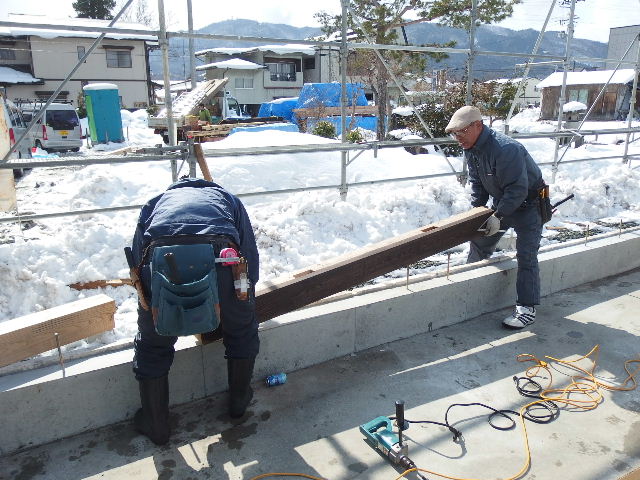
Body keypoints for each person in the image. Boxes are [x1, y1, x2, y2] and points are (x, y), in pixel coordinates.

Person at [129, 178, 259, 445]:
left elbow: (138, 257)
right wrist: (242, 300)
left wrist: (149, 305)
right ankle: (238, 403)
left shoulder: (155, 203)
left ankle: (156, 424)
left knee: (153, 346)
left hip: (162, 258)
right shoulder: (228, 199)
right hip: (222, 257)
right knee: (242, 331)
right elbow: (248, 254)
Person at [445, 105, 544, 330]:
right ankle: (468, 284)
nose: (458, 138)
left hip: (529, 206)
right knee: (480, 241)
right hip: (504, 202)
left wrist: (498, 216)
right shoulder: (471, 148)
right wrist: (477, 214)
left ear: (478, 125)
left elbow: (518, 190)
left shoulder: (506, 149)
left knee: (526, 255)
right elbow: (478, 183)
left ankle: (526, 308)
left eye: (461, 132)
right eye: (454, 134)